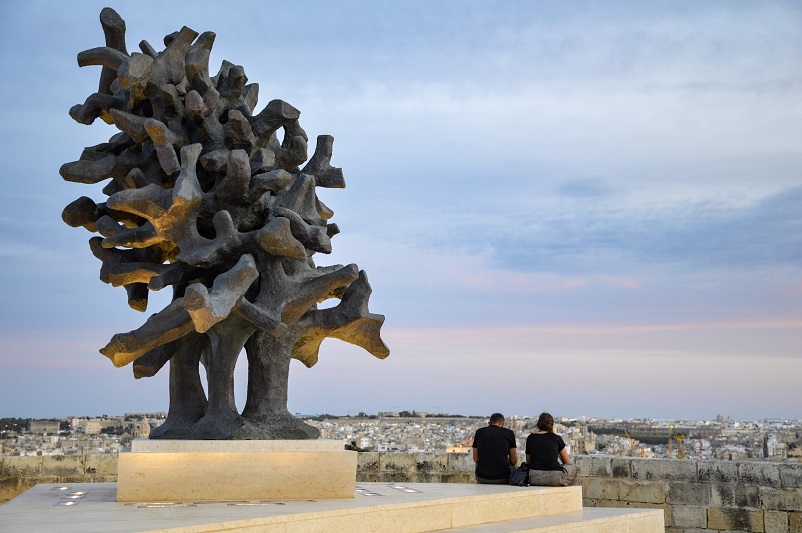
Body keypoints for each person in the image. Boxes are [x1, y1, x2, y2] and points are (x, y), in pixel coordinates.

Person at [525, 412, 577, 486]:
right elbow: (567, 462)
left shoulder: (530, 438)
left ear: (538, 423)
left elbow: (528, 461)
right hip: (555, 477)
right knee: (573, 467)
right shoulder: (556, 438)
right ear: (552, 424)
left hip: (534, 477)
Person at [472, 412, 518, 484]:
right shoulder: (509, 433)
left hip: (482, 477)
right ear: (502, 424)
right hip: (503, 477)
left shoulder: (479, 432)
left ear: (489, 423)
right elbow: (514, 460)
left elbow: (475, 459)